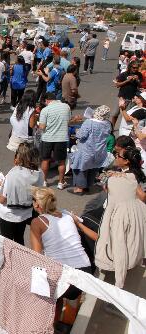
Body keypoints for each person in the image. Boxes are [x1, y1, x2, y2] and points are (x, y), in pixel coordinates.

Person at [30, 187, 92, 319]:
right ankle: (69, 320)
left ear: (37, 204)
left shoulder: (37, 222)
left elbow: (37, 255)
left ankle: (55, 324)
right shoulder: (68, 215)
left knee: (54, 301)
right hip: (85, 271)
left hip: (63, 275)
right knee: (72, 298)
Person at [94, 147, 146, 289]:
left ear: (127, 161)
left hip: (121, 217)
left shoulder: (121, 181)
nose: (115, 157)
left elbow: (142, 195)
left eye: (118, 155)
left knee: (118, 245)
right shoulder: (135, 176)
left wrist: (113, 179)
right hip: (135, 216)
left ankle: (119, 283)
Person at [0, 143, 44, 245]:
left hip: (8, 215)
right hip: (24, 213)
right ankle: (21, 259)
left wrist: (1, 185)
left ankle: (10, 260)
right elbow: (37, 194)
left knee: (7, 242)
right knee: (19, 238)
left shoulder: (12, 174)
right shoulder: (39, 173)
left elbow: (2, 199)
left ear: (18, 157)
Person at [68, 106, 112, 195]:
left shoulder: (89, 122)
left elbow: (81, 135)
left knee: (80, 168)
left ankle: (79, 188)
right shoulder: (107, 123)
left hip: (86, 149)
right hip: (99, 150)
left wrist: (77, 131)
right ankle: (87, 186)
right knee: (92, 168)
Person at [38, 93, 71, 189]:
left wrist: (39, 124)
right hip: (61, 138)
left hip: (47, 138)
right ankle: (61, 182)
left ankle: (44, 181)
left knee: (45, 160)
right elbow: (68, 121)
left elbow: (42, 127)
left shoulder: (45, 110)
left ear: (47, 100)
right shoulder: (66, 107)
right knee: (61, 161)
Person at [111, 61, 143, 129]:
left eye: (137, 68)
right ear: (130, 67)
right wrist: (127, 81)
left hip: (132, 99)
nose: (135, 69)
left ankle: (125, 129)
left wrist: (137, 80)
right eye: (134, 68)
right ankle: (112, 128)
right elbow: (117, 84)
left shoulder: (139, 75)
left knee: (127, 116)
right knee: (115, 114)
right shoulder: (124, 74)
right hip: (122, 97)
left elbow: (140, 86)